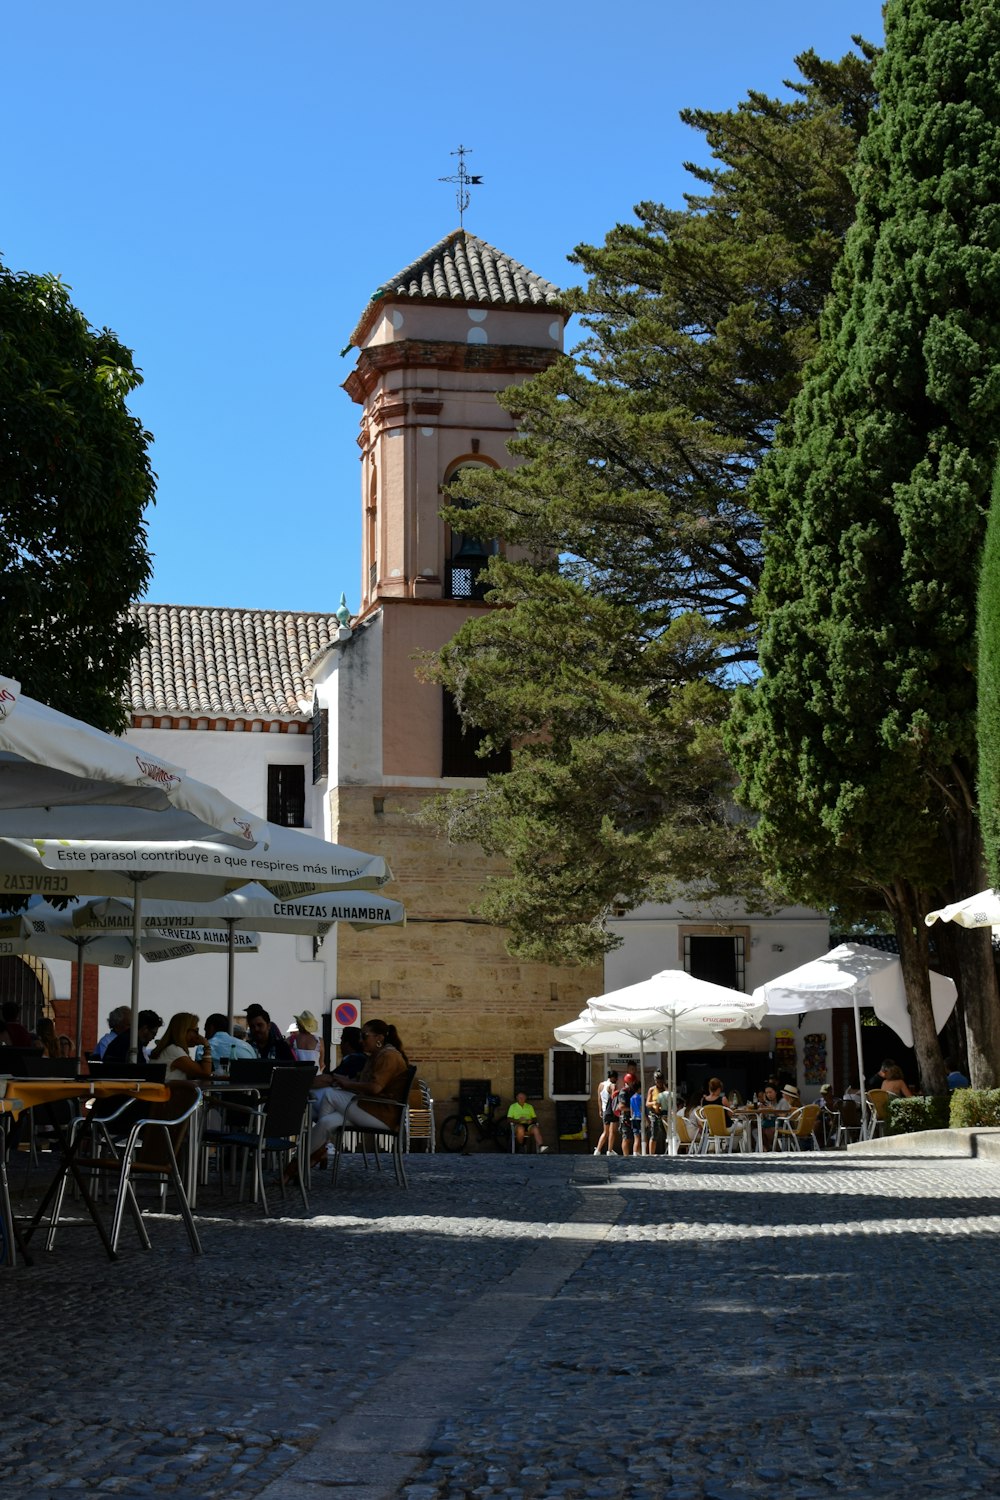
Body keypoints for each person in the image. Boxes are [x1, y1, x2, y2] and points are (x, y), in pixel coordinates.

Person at [309, 1019, 410, 1163]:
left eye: (365, 1036)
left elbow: (375, 1087)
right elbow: (365, 1081)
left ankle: (318, 1151)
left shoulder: (389, 1056)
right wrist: (344, 1080)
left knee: (329, 1094)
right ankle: (297, 1165)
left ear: (379, 1038)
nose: (361, 1041)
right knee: (326, 1121)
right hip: (369, 1108)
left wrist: (348, 1083)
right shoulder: (376, 1055)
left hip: (381, 1114)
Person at [149, 1012, 214, 1083]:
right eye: (196, 1031)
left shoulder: (170, 1048)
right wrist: (207, 1046)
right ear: (184, 1030)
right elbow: (205, 1073)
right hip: (169, 1093)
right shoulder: (173, 1050)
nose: (197, 1035)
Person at [593, 1068, 620, 1157]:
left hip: (604, 1110)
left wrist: (600, 1110)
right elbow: (614, 1097)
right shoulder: (612, 1085)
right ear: (613, 1078)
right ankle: (609, 1150)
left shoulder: (601, 1085)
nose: (616, 1081)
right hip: (612, 1111)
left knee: (605, 1132)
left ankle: (597, 1150)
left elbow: (599, 1099)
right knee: (612, 1131)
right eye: (616, 1079)